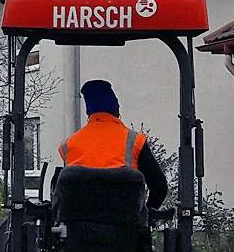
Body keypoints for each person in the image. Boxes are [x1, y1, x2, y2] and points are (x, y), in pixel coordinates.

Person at [58, 80, 168, 210]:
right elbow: (159, 187)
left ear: (89, 112)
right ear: (116, 110)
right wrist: (146, 215)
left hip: (78, 222)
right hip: (126, 220)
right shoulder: (134, 141)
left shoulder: (68, 144)